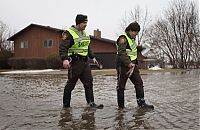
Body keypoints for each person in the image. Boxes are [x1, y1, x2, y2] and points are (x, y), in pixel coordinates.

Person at [59, 14, 103, 109]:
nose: (85, 25)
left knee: (89, 83)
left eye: (86, 22)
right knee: (70, 85)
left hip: (85, 62)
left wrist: (92, 57)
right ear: (78, 23)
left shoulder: (85, 33)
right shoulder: (69, 33)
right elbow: (63, 47)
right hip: (75, 62)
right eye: (84, 22)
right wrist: (64, 59)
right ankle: (66, 107)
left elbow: (87, 47)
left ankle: (91, 103)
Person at [115, 21, 154, 109]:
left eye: (137, 33)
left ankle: (141, 104)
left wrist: (143, 47)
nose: (135, 34)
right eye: (134, 32)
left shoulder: (132, 40)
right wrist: (128, 63)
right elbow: (121, 53)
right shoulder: (123, 38)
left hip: (133, 66)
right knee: (121, 87)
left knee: (139, 83)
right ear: (129, 30)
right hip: (123, 66)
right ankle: (121, 108)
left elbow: (134, 49)